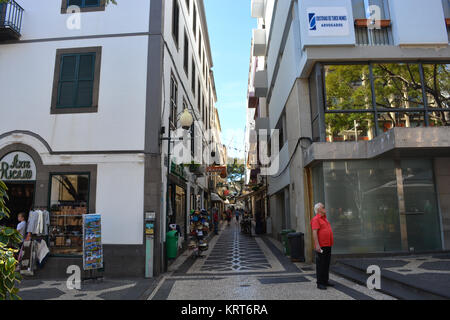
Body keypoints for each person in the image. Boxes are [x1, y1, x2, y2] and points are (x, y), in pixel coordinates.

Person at [311, 202, 334, 290]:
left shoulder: (325, 218)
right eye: (323, 207)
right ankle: (320, 283)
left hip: (328, 244)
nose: (325, 208)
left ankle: (325, 281)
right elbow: (314, 232)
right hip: (321, 246)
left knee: (326, 263)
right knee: (321, 264)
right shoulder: (316, 219)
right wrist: (317, 245)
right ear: (318, 210)